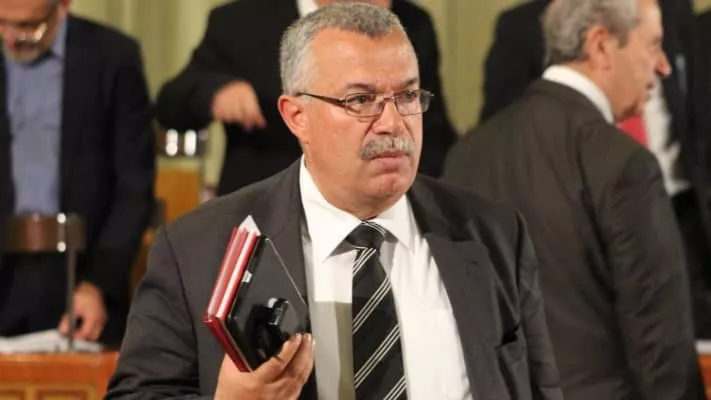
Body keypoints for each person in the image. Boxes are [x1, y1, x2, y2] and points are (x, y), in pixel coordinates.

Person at [107, 3, 563, 399]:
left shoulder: (494, 234)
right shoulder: (197, 250)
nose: (393, 123)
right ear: (296, 116)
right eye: (361, 100)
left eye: (407, 95)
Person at [443, 0, 706, 398]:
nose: (664, 66)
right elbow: (660, 344)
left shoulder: (467, 154)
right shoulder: (623, 162)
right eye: (653, 45)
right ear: (601, 45)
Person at [155, 0, 456, 196]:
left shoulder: (413, 22)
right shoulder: (242, 21)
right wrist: (214, 91)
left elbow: (433, 131)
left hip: (379, 209)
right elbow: (170, 105)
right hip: (264, 208)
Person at [0, 0, 155, 346]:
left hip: (79, 272)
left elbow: (133, 188)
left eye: (27, 27)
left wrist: (97, 283)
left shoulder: (113, 57)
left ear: (62, 7)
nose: (10, 38)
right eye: (1, 23)